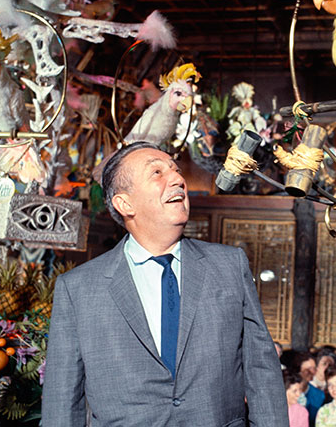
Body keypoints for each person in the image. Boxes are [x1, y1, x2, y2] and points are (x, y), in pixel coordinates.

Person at [42, 142, 287, 425]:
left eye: (176, 169)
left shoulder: (229, 266)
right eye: (157, 172)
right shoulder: (79, 289)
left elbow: (262, 371)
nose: (177, 179)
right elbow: (62, 404)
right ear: (125, 204)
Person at [294, 351, 326, 427]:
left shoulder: (319, 395)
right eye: (308, 369)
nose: (312, 372)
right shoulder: (288, 391)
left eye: (314, 368)